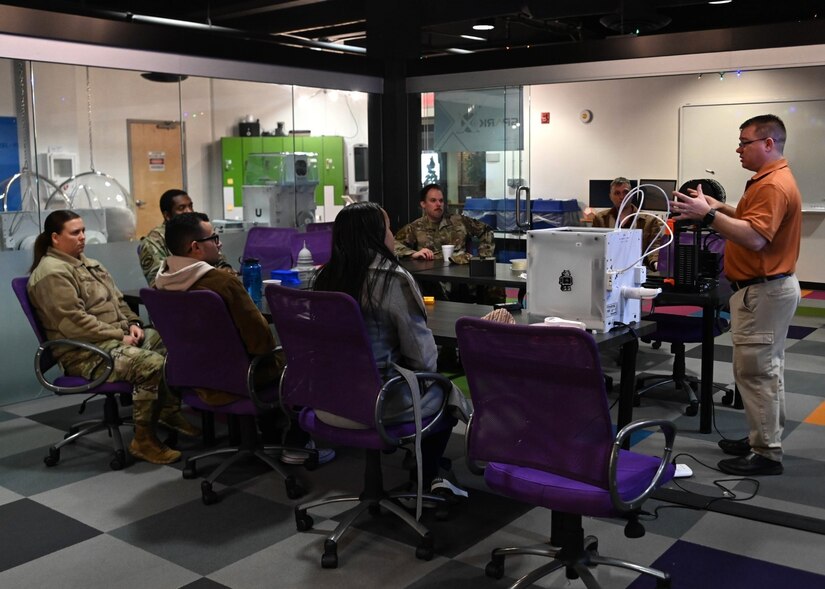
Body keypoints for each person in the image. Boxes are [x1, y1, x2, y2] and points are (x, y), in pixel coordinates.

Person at [671, 114, 801, 476]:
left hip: (763, 291)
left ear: (768, 144)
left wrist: (708, 217)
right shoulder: (767, 180)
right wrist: (714, 206)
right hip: (768, 289)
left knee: (757, 372)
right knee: (766, 371)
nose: (739, 148)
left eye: (745, 142)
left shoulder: (773, 185)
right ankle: (761, 436)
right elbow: (747, 220)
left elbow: (755, 237)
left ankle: (766, 453)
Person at [154, 212, 334, 466]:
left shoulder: (160, 284)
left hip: (194, 378)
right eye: (214, 238)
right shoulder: (222, 283)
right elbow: (261, 343)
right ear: (194, 247)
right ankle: (297, 441)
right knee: (303, 358)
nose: (219, 243)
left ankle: (270, 431)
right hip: (241, 379)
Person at [314, 201, 460, 494]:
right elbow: (423, 360)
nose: (393, 235)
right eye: (389, 228)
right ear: (376, 235)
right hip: (377, 401)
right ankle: (429, 476)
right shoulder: (392, 279)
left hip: (326, 400)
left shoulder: (323, 277)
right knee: (448, 392)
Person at [27, 210, 185, 465]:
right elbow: (73, 323)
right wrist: (120, 335)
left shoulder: (88, 264)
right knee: (150, 364)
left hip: (110, 341)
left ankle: (167, 411)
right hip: (83, 352)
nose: (82, 237)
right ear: (55, 238)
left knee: (169, 343)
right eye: (74, 232)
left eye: (83, 231)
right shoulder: (52, 273)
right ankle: (143, 441)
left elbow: (119, 301)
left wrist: (132, 323)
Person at [139, 189, 234, 287]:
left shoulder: (198, 230)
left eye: (190, 206)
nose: (189, 211)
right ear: (167, 215)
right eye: (181, 208)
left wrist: (226, 270)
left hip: (211, 287)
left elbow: (218, 260)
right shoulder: (154, 241)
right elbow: (157, 282)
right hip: (178, 294)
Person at [394, 183, 494, 264]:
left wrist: (482, 259)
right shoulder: (415, 227)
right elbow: (393, 245)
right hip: (432, 277)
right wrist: (413, 254)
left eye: (441, 201)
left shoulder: (459, 221)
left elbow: (486, 230)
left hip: (460, 275)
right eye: (433, 200)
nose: (438, 204)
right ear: (423, 204)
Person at [591, 177, 663, 271]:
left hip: (637, 269)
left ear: (632, 194)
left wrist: (655, 263)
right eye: (617, 193)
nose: (622, 197)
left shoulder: (650, 220)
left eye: (625, 192)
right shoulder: (600, 219)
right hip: (609, 270)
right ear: (610, 196)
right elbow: (595, 246)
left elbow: (654, 247)